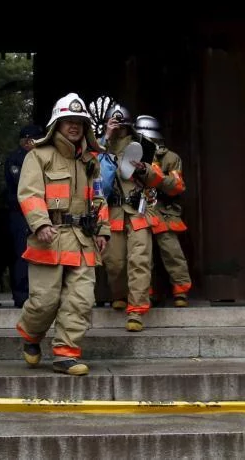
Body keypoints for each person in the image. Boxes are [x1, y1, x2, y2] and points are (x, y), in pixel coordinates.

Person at [15, 93, 110, 375]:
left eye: (79, 122)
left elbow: (99, 197)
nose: (74, 126)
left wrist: (103, 229)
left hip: (83, 240)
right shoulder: (38, 156)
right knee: (44, 302)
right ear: (56, 124)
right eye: (68, 121)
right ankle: (31, 336)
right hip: (50, 238)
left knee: (80, 300)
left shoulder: (90, 161)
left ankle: (66, 354)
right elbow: (29, 193)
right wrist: (41, 223)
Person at [97, 104, 164, 332]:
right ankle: (118, 294)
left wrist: (144, 169)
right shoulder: (99, 146)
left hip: (138, 212)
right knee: (114, 262)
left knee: (140, 260)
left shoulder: (145, 146)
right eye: (114, 124)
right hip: (112, 212)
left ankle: (136, 310)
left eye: (121, 124)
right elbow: (88, 169)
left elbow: (157, 178)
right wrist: (105, 136)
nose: (119, 128)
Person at [134, 115, 192, 307]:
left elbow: (177, 186)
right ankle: (146, 293)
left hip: (164, 212)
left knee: (172, 252)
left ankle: (181, 290)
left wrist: (154, 175)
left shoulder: (171, 158)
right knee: (143, 257)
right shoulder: (132, 155)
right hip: (140, 212)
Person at [4, 123, 44, 307]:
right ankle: (21, 296)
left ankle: (40, 294)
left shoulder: (43, 157)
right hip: (20, 213)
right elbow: (23, 183)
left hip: (41, 211)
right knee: (21, 253)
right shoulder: (16, 159)